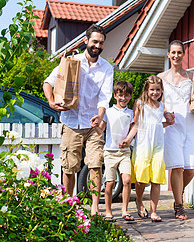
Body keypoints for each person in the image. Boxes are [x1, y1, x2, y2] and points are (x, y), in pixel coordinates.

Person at [43, 24, 113, 216]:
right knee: (69, 167)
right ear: (86, 41)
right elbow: (48, 82)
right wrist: (51, 102)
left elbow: (104, 97)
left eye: (101, 43)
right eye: (94, 41)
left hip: (93, 124)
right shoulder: (71, 62)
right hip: (71, 122)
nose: (97, 46)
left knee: (95, 164)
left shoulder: (107, 68)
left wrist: (99, 116)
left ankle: (94, 207)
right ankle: (68, 204)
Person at [157, 40, 194, 220]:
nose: (176, 56)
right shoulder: (161, 77)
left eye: (179, 52)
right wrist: (163, 116)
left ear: (183, 54)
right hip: (172, 125)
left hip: (190, 123)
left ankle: (177, 196)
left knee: (191, 169)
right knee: (178, 166)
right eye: (173, 52)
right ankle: (179, 206)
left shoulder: (192, 77)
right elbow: (156, 102)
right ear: (168, 54)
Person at [120, 75, 174, 222]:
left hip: (158, 145)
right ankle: (138, 201)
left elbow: (156, 125)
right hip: (143, 145)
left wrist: (167, 124)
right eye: (152, 90)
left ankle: (154, 211)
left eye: (158, 90)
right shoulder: (140, 103)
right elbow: (136, 125)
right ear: (146, 90)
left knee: (156, 179)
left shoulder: (161, 107)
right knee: (141, 179)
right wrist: (128, 139)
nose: (155, 93)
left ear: (162, 90)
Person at [98, 81, 135, 222]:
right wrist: (95, 126)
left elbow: (133, 131)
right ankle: (108, 211)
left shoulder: (130, 113)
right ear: (115, 96)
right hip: (110, 152)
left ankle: (125, 210)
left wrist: (128, 141)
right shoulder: (108, 112)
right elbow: (100, 130)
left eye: (126, 96)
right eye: (120, 95)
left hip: (125, 152)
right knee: (110, 183)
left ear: (130, 96)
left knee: (126, 180)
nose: (123, 98)